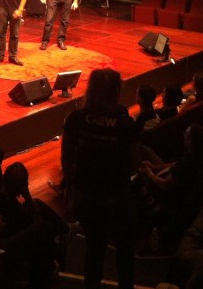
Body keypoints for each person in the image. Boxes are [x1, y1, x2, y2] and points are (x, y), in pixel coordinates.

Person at [61, 69, 139, 289]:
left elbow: (66, 158)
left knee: (94, 249)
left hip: (86, 193)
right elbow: (135, 162)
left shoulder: (75, 118)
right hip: (117, 192)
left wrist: (72, 188)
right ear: (115, 91)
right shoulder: (125, 123)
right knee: (125, 250)